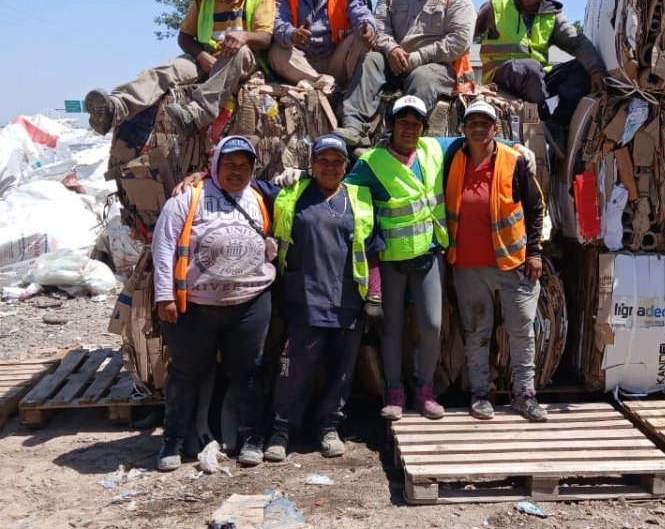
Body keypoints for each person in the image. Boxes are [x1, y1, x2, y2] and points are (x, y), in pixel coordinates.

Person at [150, 135, 276, 472]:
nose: (237, 171)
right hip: (195, 306)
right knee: (186, 373)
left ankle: (252, 438)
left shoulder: (257, 197)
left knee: (247, 372)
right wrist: (165, 296)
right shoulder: (187, 199)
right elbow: (164, 247)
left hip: (250, 302)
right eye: (229, 164)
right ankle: (172, 441)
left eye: (244, 166)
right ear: (215, 165)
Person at [265, 135, 382, 461]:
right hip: (305, 300)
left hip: (348, 301)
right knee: (294, 369)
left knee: (342, 371)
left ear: (346, 167)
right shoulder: (293, 193)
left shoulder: (359, 198)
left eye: (336, 161)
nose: (330, 167)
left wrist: (374, 294)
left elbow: (372, 250)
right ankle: (282, 429)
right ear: (312, 164)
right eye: (323, 160)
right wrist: (198, 177)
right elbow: (247, 186)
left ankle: (329, 428)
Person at [85, 0, 276, 136]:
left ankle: (196, 115)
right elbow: (184, 37)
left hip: (241, 62)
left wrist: (244, 36)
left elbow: (265, 38)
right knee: (169, 69)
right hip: (205, 59)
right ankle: (115, 108)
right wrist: (201, 56)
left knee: (240, 51)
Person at [345, 95, 448, 420]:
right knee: (391, 327)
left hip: (428, 253)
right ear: (391, 126)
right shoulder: (371, 163)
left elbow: (473, 141)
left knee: (432, 324)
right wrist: (300, 180)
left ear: (423, 128)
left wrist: (519, 149)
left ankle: (425, 390)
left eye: (416, 124)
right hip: (391, 259)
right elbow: (341, 190)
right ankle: (394, 391)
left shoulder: (433, 149)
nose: (409, 129)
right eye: (403, 122)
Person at [444, 101, 548, 422]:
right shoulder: (453, 157)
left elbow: (535, 208)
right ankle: (480, 395)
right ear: (463, 129)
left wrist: (534, 252)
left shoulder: (513, 162)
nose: (478, 129)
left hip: (513, 263)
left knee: (521, 332)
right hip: (467, 266)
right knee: (477, 331)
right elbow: (426, 143)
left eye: (485, 123)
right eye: (472, 123)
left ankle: (524, 396)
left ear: (495, 128)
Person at [338, 0, 476, 148]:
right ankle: (354, 127)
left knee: (422, 77)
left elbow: (460, 40)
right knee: (371, 60)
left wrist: (418, 57)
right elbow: (379, 27)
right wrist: (390, 48)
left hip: (437, 66)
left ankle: (397, 142)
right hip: (394, 62)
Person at [475, 0, 606, 154]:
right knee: (529, 68)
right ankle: (543, 115)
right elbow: (467, 32)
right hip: (501, 77)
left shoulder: (551, 16)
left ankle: (557, 124)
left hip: (536, 82)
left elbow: (577, 43)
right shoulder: (497, 5)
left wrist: (596, 70)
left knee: (580, 70)